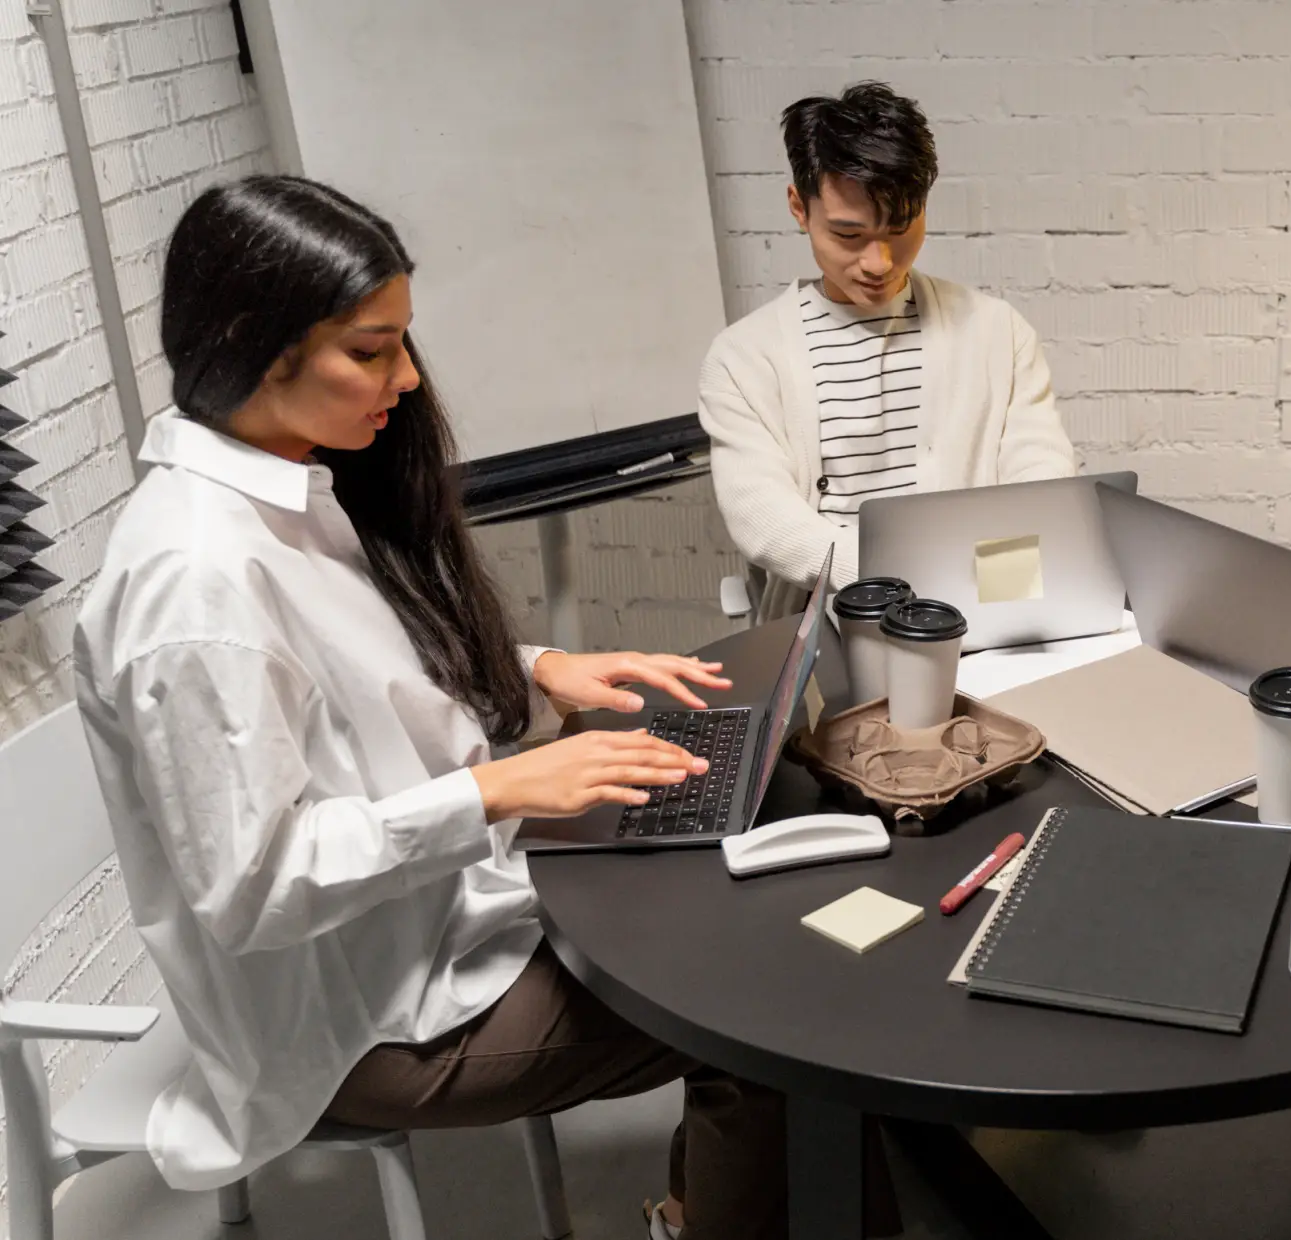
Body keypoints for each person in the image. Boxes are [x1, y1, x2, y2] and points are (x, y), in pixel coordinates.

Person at [74, 176, 892, 1240]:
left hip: (433, 925)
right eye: (371, 352)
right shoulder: (193, 582)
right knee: (765, 1005)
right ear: (249, 343)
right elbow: (253, 886)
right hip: (370, 1027)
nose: (408, 378)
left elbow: (346, 669)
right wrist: (501, 788)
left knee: (731, 872)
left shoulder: (279, 486)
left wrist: (542, 667)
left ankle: (739, 1205)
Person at [700, 81, 1077, 609]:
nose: (878, 263)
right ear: (799, 208)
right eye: (849, 235)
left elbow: (1041, 482)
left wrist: (994, 594)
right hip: (830, 615)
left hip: (983, 607)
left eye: (899, 228)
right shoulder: (743, 359)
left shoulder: (997, 332)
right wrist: (914, 575)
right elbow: (762, 517)